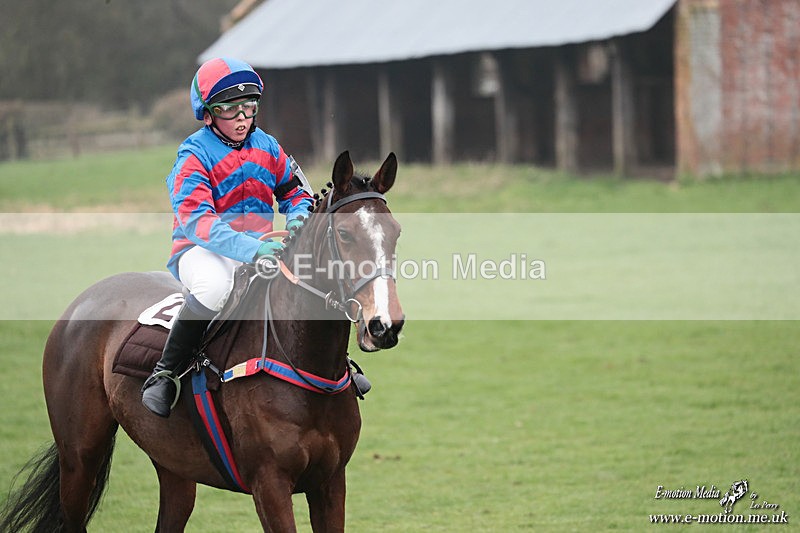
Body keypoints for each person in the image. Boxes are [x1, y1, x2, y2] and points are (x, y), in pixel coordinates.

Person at [141, 57, 313, 417]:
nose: (241, 118)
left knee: (310, 279)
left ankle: (333, 371)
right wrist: (253, 249)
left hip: (260, 249)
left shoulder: (268, 146)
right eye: (229, 109)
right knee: (215, 288)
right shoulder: (193, 155)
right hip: (200, 251)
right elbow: (198, 222)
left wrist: (297, 224)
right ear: (207, 114)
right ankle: (165, 373)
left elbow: (297, 194)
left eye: (248, 108)